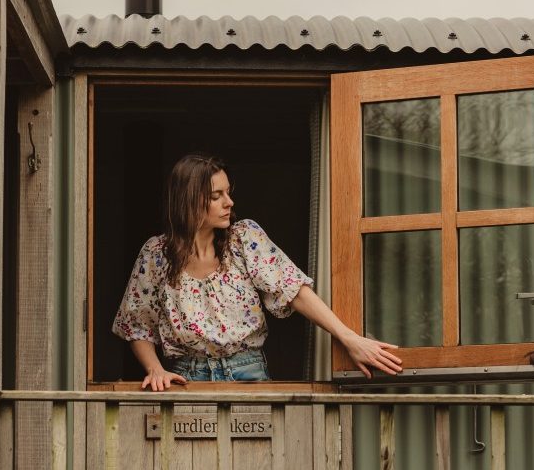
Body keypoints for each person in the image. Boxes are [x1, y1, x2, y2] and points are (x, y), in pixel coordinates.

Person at [113, 153, 403, 390]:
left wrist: (348, 337)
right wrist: (155, 370)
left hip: (248, 371)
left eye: (229, 192)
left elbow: (293, 290)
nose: (230, 202)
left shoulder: (243, 238)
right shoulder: (156, 254)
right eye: (217, 196)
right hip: (186, 378)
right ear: (188, 200)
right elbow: (137, 324)